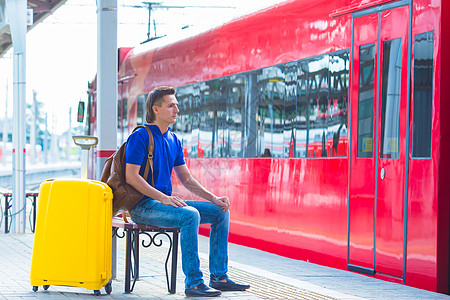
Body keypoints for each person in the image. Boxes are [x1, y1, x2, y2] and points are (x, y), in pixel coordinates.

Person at [125, 86, 250, 297]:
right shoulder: (141, 136)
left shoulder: (173, 140)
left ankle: (219, 277)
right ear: (156, 109)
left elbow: (187, 179)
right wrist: (163, 198)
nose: (177, 110)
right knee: (190, 215)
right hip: (143, 206)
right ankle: (193, 282)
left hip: (163, 204)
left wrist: (214, 198)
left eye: (177, 105)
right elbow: (131, 176)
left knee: (221, 212)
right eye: (171, 106)